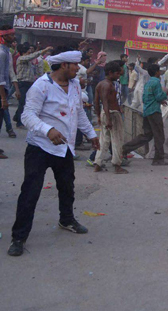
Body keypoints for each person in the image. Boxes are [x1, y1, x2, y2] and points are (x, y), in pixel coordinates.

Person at [7, 47, 100, 256]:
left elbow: (79, 113)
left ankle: (66, 220)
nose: (78, 68)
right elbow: (27, 115)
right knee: (30, 192)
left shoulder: (75, 85)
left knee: (67, 187)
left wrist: (91, 134)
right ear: (64, 65)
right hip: (40, 148)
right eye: (75, 65)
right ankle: (19, 237)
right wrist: (48, 130)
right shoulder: (41, 86)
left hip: (64, 148)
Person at [122, 64, 168, 166]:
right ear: (157, 72)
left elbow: (147, 97)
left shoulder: (148, 82)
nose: (160, 73)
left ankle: (125, 149)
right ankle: (159, 159)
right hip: (154, 112)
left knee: (147, 135)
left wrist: (160, 101)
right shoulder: (156, 82)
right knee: (159, 135)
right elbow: (160, 96)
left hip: (147, 111)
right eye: (159, 71)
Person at [93, 61, 128, 174]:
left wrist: (99, 116)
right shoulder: (108, 85)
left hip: (105, 113)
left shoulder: (100, 84)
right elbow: (105, 102)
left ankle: (98, 163)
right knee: (117, 139)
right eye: (117, 73)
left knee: (103, 140)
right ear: (110, 73)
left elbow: (96, 102)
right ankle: (117, 165)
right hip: (112, 114)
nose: (119, 75)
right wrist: (108, 119)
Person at [14, 44, 53, 128]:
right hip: (23, 83)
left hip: (29, 83)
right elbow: (33, 55)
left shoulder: (28, 60)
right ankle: (19, 122)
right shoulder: (21, 58)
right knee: (22, 103)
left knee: (24, 102)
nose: (30, 51)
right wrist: (44, 50)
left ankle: (17, 117)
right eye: (29, 50)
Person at [0, 26, 20, 139]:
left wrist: (16, 89)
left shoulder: (7, 53)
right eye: (11, 35)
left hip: (5, 89)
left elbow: (11, 72)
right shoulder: (2, 53)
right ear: (4, 36)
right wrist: (3, 98)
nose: (13, 37)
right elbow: (0, 77)